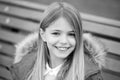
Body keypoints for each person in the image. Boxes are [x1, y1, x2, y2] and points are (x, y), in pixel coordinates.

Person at [9, 1, 106, 80]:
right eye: (56, 33)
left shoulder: (89, 75)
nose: (64, 41)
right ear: (43, 35)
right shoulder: (26, 67)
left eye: (72, 34)